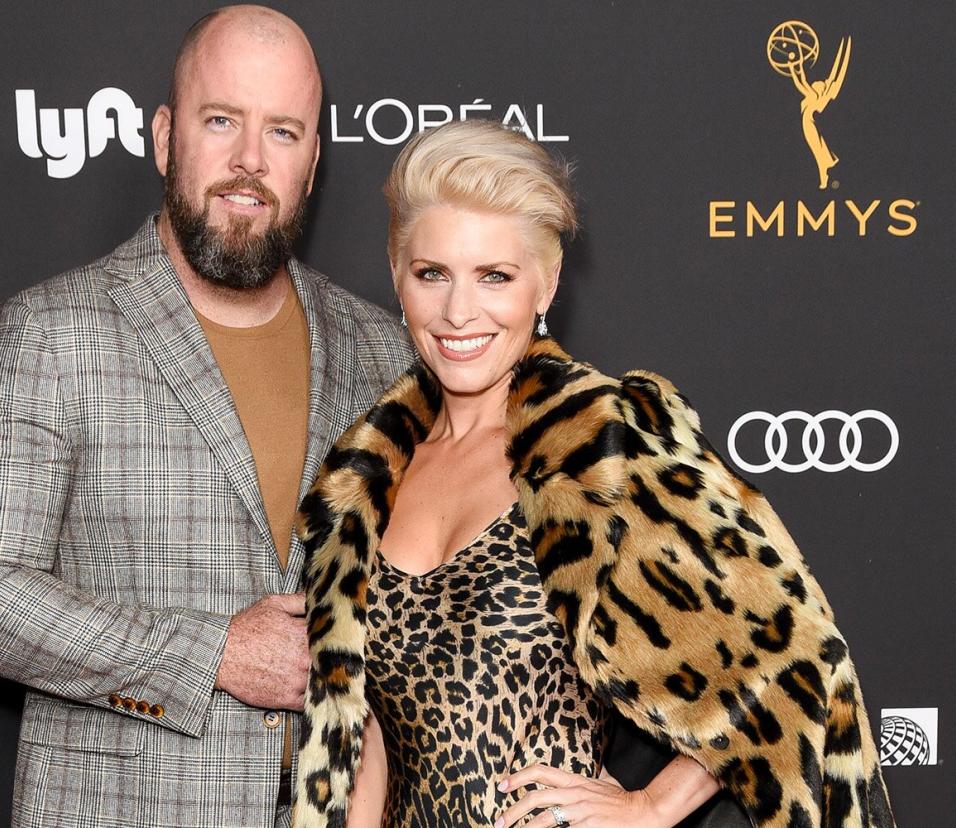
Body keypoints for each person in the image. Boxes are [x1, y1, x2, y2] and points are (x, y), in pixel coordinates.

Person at [293, 121, 896, 828]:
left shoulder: (603, 447)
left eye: (496, 276)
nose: (459, 311)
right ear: (398, 276)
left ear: (544, 285)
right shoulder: (363, 481)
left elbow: (789, 654)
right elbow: (367, 740)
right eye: (433, 274)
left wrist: (650, 805)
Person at [0, 7, 410, 828]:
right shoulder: (52, 331)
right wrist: (212, 653)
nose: (250, 161)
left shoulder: (382, 347)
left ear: (313, 162)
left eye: (283, 132)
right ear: (163, 136)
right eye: (222, 121)